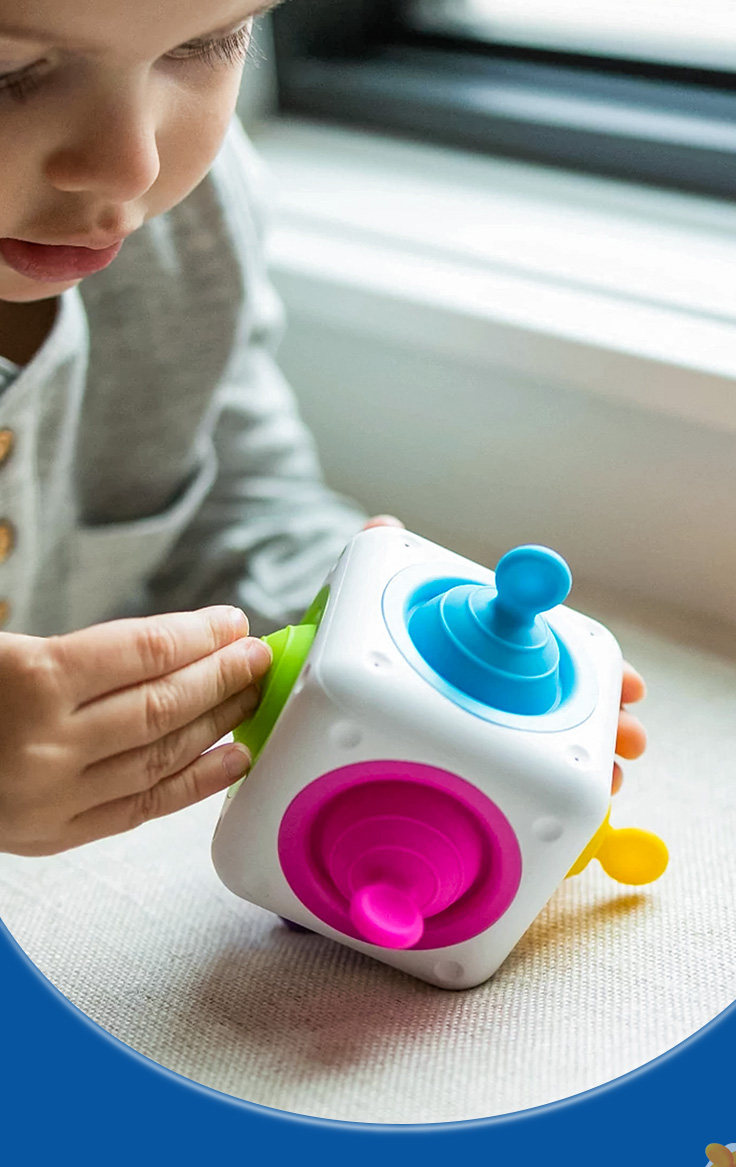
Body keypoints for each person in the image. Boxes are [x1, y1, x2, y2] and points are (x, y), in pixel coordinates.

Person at [0, 0, 646, 858]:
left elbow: (233, 493)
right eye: (7, 74)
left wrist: (367, 621)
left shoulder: (193, 226)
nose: (131, 166)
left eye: (206, 44)